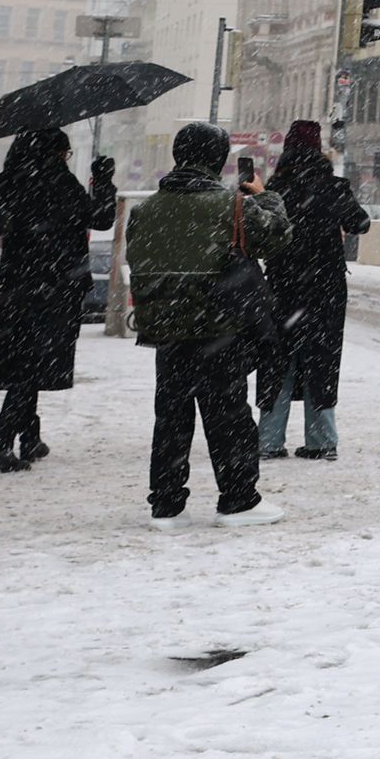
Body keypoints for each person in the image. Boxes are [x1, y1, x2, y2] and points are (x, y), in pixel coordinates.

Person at [123, 122, 287, 522]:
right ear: (218, 160)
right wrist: (267, 199)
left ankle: (166, 503)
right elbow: (277, 237)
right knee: (227, 415)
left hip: (167, 330)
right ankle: (237, 498)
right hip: (220, 329)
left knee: (172, 417)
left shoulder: (145, 211)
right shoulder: (232, 206)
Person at [0, 117, 116, 472]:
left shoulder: (8, 184)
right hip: (54, 287)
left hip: (16, 285)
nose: (67, 158)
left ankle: (29, 436)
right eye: (64, 152)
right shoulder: (58, 183)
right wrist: (102, 180)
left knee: (24, 359)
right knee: (32, 367)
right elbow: (100, 218)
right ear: (54, 153)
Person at [257, 120, 370, 460]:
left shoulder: (275, 188)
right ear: (319, 148)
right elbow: (360, 223)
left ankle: (269, 439)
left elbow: (259, 235)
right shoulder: (332, 187)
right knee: (322, 360)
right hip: (325, 288)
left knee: (278, 360)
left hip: (282, 285)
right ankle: (322, 440)